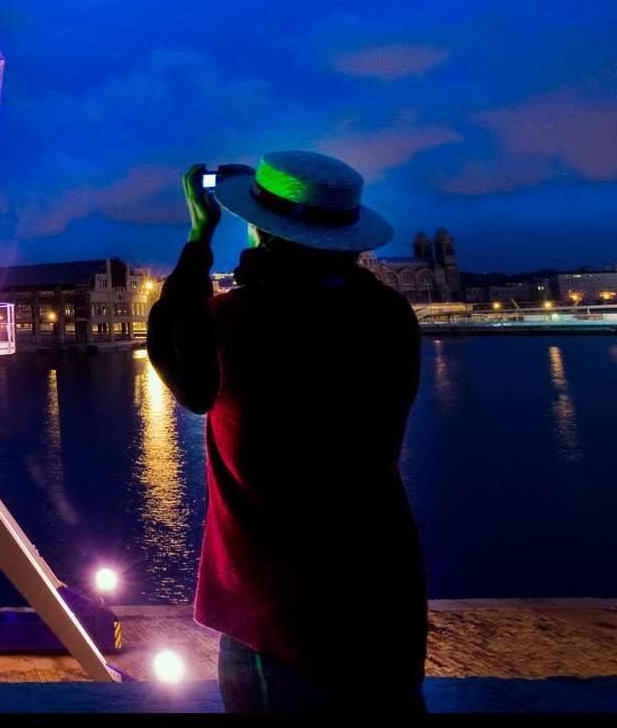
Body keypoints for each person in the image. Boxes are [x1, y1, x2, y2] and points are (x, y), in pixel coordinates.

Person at [146, 151, 428, 713]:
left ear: (260, 230)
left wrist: (200, 235)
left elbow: (173, 350)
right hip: (384, 595)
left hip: (274, 607)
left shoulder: (233, 320)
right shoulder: (392, 315)